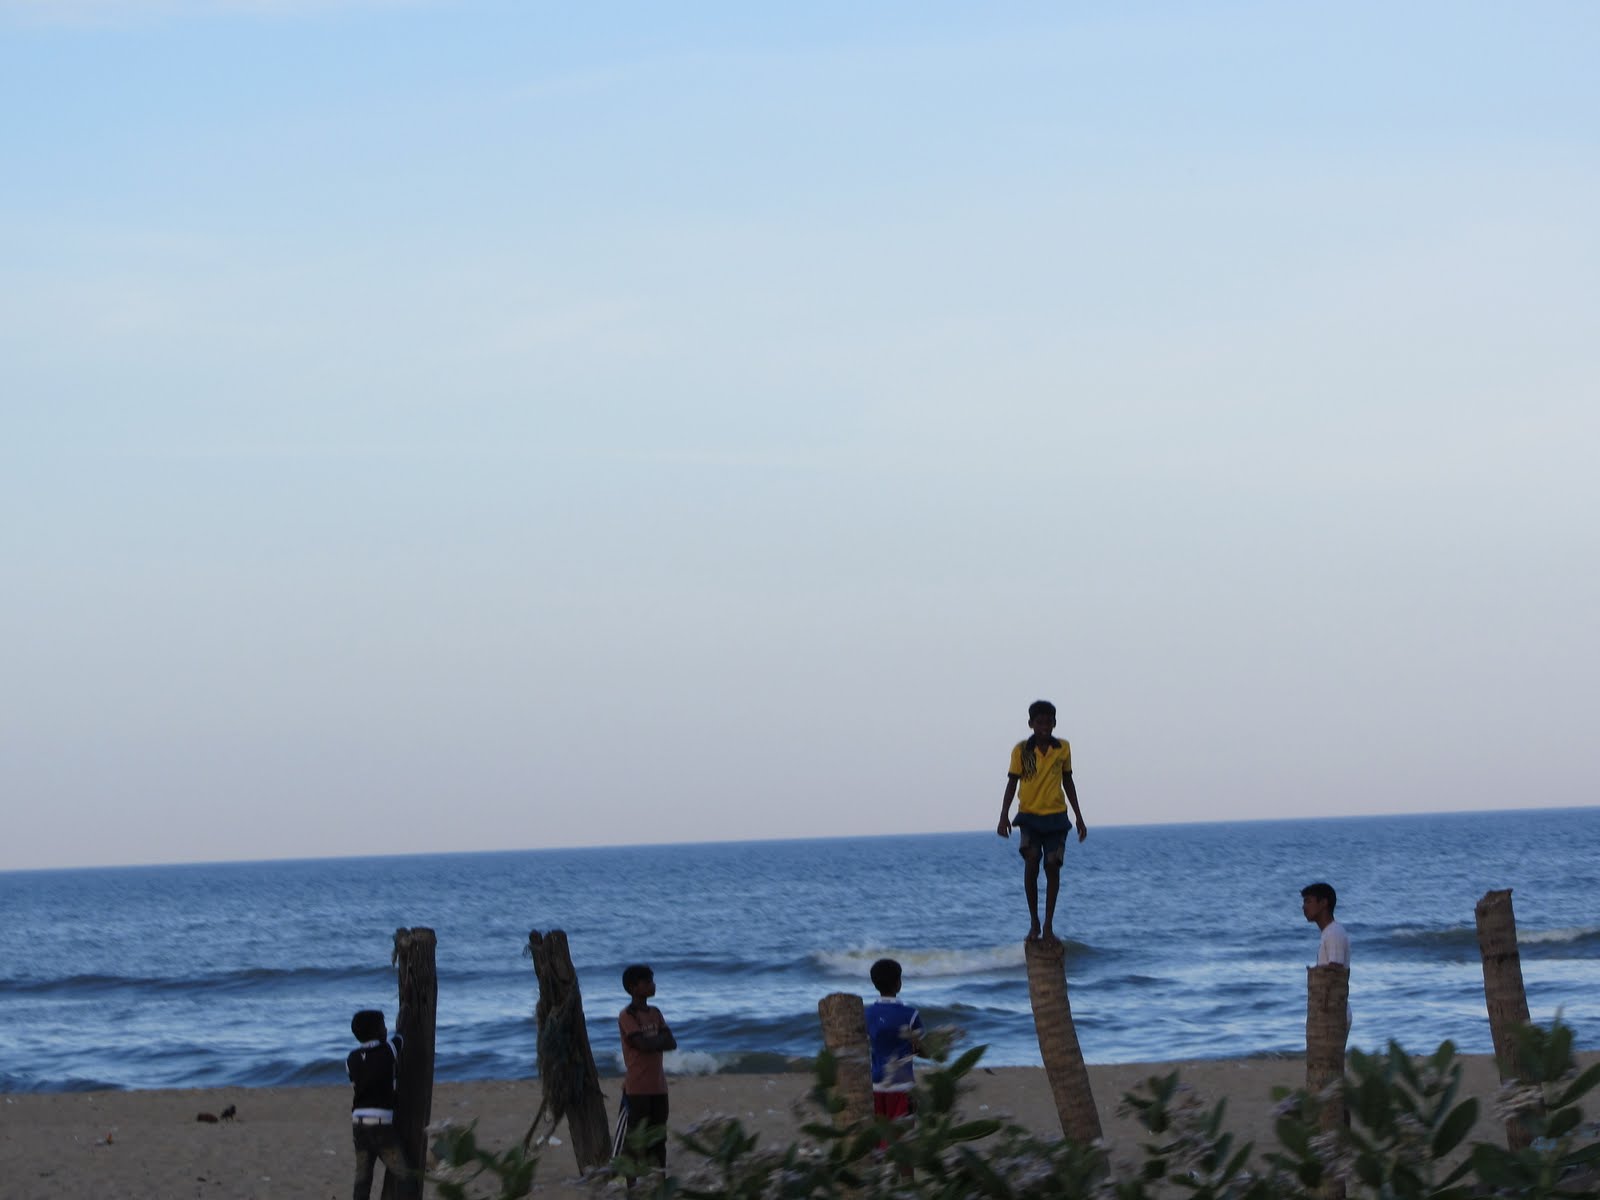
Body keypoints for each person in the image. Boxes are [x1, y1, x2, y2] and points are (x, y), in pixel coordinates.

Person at [997, 699, 1088, 942]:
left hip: (1056, 816)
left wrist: (1079, 816)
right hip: (1029, 816)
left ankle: (1048, 924)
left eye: (1049, 722)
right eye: (1039, 722)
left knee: (1052, 866)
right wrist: (1003, 815)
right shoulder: (1023, 750)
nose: (1044, 727)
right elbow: (1013, 782)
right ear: (1031, 724)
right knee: (1032, 861)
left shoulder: (1062, 748)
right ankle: (1034, 922)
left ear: (1055, 723)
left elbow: (1068, 781)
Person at [618, 963, 676, 1174]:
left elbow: (671, 1042)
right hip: (637, 1088)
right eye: (648, 982)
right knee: (636, 1138)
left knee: (659, 1137)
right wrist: (657, 1041)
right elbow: (641, 1044)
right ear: (634, 987)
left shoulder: (655, 1012)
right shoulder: (628, 1015)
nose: (653, 985)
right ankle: (632, 1183)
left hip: (658, 1087)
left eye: (652, 981)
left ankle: (658, 1179)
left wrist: (653, 1042)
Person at [346, 1008, 409, 1200]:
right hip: (381, 1125)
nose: (386, 1029)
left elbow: (356, 1084)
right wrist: (403, 1018)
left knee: (363, 1177)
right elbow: (402, 1037)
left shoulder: (351, 1058)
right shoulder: (387, 1050)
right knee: (404, 1175)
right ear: (377, 1031)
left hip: (358, 1124)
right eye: (383, 1026)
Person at [864, 958, 925, 1139]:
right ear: (898, 983)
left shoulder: (866, 1014)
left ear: (874, 983)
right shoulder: (911, 1015)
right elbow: (922, 1050)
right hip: (902, 1084)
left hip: (875, 1084)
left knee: (879, 1140)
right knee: (903, 1142)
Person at [1301, 881, 1352, 1038]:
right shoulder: (1329, 933)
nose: (1304, 907)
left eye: (1308, 901)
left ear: (1323, 903)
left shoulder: (1334, 933)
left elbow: (1334, 972)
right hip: (1330, 1012)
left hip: (1334, 1014)